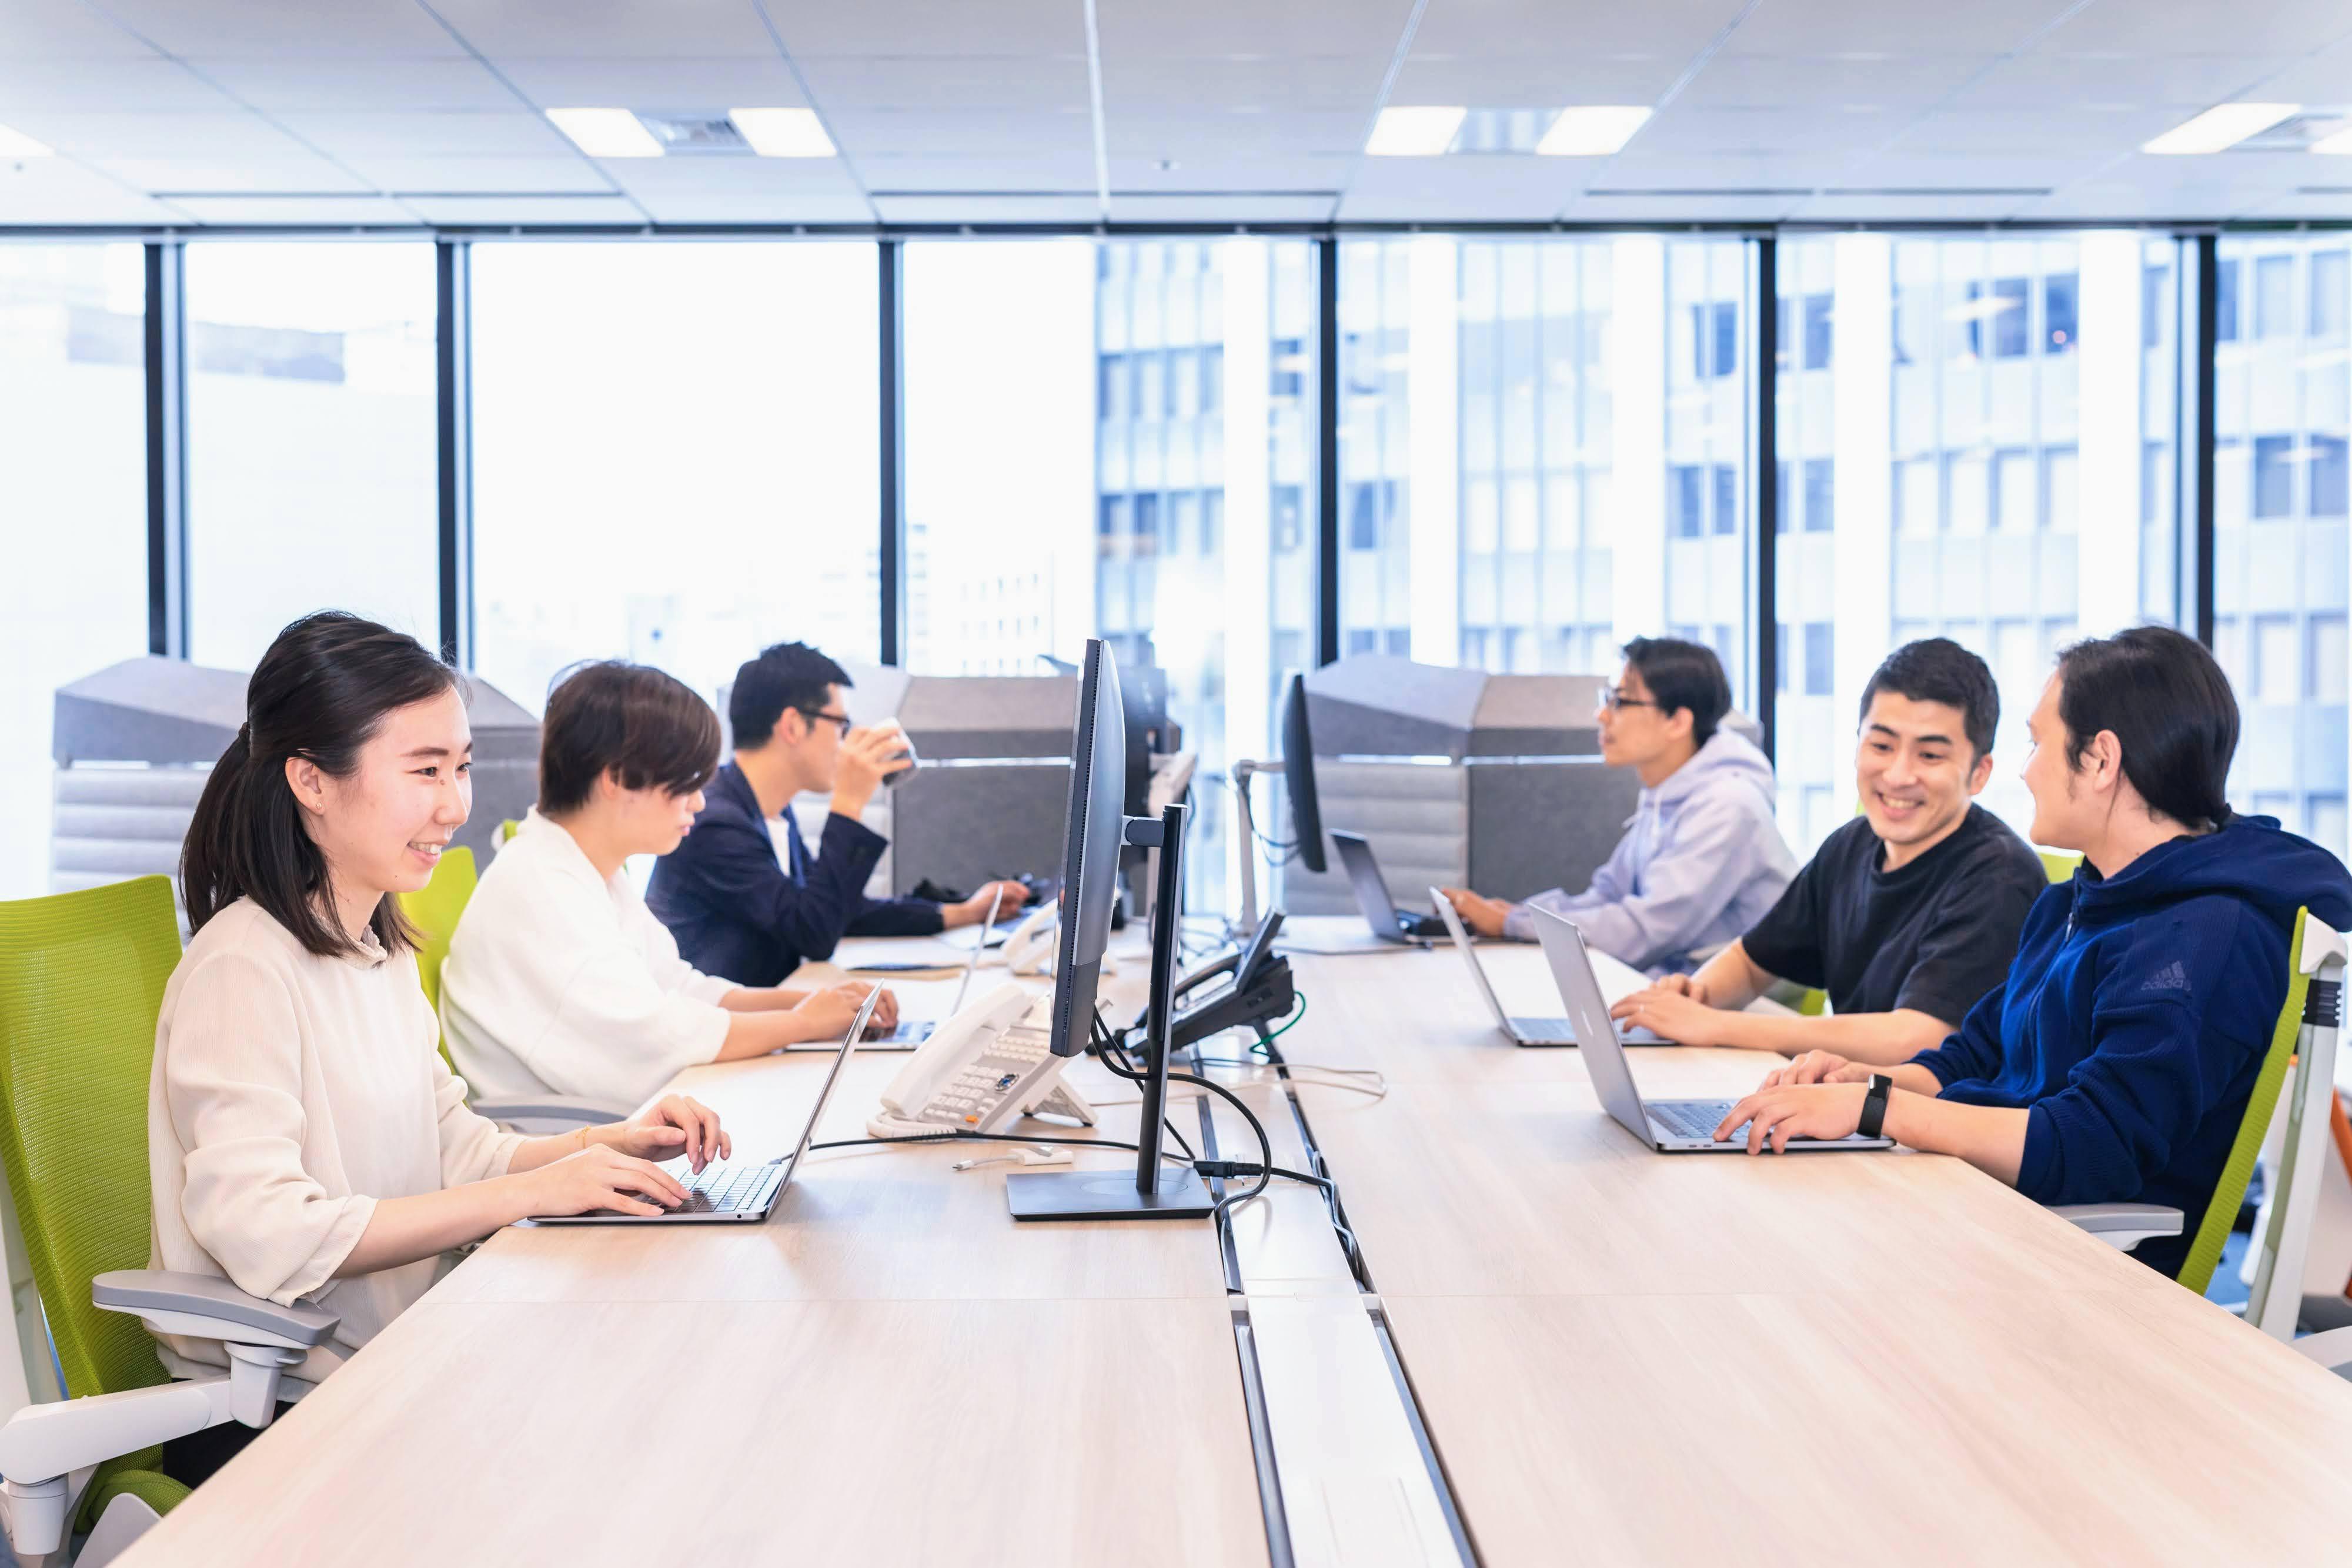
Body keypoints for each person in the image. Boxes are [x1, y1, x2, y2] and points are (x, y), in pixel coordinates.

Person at [153, 614, 729, 1480]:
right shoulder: (243, 966)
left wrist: (604, 1146)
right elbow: (271, 1233)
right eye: (425, 770)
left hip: (401, 1359)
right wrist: (530, 1192)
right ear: (311, 780)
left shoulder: (378, 948)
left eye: (460, 766)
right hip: (283, 1414)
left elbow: (455, 1147)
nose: (454, 804)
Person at [1713, 626, 2352, 1279]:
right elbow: (1973, 1054)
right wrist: (1865, 1083)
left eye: (2037, 742)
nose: (2024, 770)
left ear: (2099, 760)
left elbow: (2091, 1145)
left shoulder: (2206, 939)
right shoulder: (2075, 903)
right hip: (1983, 1216)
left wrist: (1876, 1111)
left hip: (2081, 1269)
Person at [442, 661, 897, 1111]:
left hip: (612, 1116)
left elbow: (679, 987)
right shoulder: (543, 892)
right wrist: (802, 1023)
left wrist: (814, 1004)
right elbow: (656, 1040)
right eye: (685, 783)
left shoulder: (586, 869)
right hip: (572, 1135)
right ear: (617, 778)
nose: (698, 802)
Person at [1612, 638, 2047, 1064]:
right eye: (1881, 746)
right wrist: (1695, 997)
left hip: (1932, 1109)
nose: (1898, 775)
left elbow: (1918, 1038)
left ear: (1979, 773)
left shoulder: (1999, 876)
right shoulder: (1852, 844)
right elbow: (1751, 962)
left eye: (1930, 755)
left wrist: (1717, 1026)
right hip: (1849, 1099)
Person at [649, 641, 1030, 987]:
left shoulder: (770, 811)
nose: (845, 739)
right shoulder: (715, 822)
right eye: (840, 725)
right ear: (793, 726)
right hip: (717, 1032)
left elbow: (838, 909)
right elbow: (814, 932)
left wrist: (963, 913)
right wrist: (848, 802)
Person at [1439, 636, 1795, 977]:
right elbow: (1608, 894)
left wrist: (1511, 924)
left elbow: (1645, 931)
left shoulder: (1728, 806)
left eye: (1620, 702)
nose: (1602, 714)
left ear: (1678, 722)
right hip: (1676, 978)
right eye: (1607, 698)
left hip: (1745, 998)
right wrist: (1518, 914)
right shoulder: (1666, 797)